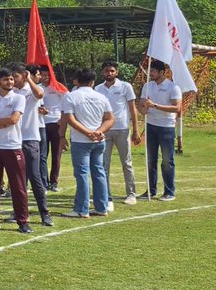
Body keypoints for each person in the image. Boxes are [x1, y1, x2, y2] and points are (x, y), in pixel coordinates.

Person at [60, 68, 114, 217]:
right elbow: (110, 118)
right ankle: (101, 207)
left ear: (77, 81)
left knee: (82, 173)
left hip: (81, 140)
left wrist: (86, 133)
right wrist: (99, 131)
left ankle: (81, 209)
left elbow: (69, 118)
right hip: (98, 139)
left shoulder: (71, 96)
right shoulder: (101, 97)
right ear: (92, 82)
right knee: (98, 172)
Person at [0, 68, 32, 233]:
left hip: (13, 147)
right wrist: (0, 123)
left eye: (12, 79)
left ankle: (22, 220)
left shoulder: (19, 98)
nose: (10, 82)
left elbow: (13, 120)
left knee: (18, 186)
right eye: (6, 80)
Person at [95, 61, 140, 206]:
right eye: (107, 71)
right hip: (104, 130)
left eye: (112, 71)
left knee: (126, 162)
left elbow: (132, 109)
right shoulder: (98, 88)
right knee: (103, 164)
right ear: (102, 72)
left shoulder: (125, 86)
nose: (109, 73)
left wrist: (136, 130)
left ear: (117, 72)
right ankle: (106, 195)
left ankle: (131, 194)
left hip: (122, 129)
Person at [13, 64, 52, 227]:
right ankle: (20, 213)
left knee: (34, 176)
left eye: (16, 76)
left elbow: (40, 93)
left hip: (30, 139)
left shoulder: (31, 90)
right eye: (11, 76)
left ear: (23, 75)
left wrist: (29, 78)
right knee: (17, 179)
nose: (13, 80)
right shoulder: (11, 92)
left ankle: (45, 213)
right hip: (13, 140)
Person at [139, 59, 182, 201]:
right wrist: (143, 109)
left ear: (162, 72)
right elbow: (141, 104)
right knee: (151, 159)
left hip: (166, 127)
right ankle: (151, 191)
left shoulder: (173, 87)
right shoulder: (147, 86)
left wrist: (155, 105)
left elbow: (177, 108)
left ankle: (169, 191)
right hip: (151, 125)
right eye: (149, 71)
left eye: (153, 71)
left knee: (167, 160)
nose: (150, 73)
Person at [38, 66, 65, 192]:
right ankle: (44, 182)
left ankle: (54, 182)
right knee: (42, 155)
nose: (45, 77)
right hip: (42, 124)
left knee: (56, 155)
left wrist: (62, 118)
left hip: (56, 123)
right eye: (42, 74)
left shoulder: (58, 86)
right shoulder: (38, 88)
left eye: (48, 75)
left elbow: (68, 101)